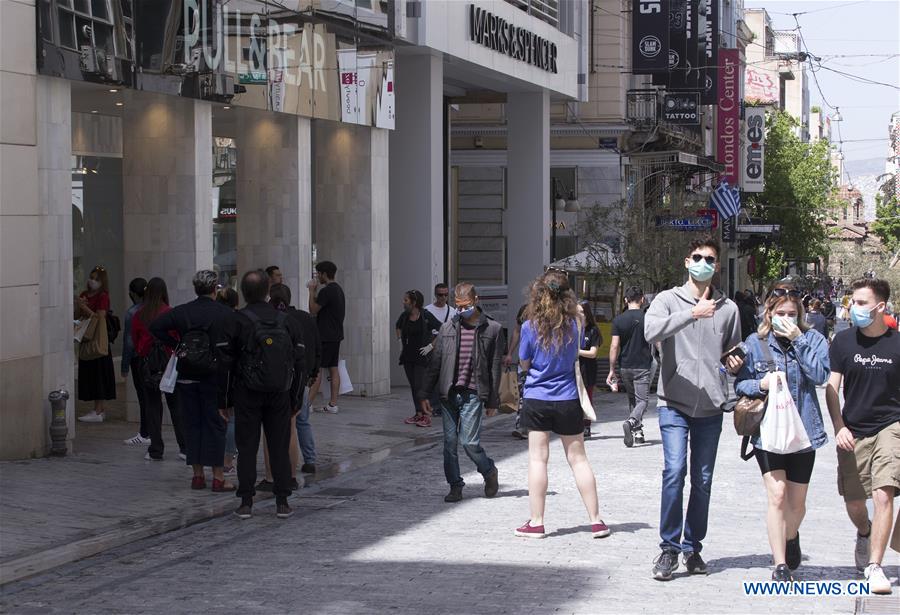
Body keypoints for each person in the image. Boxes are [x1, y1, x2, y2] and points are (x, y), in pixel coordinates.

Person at [644, 236, 743, 581]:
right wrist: (691, 313)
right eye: (698, 257)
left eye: (710, 259)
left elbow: (733, 350)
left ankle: (692, 548)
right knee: (674, 472)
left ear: (717, 266)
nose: (703, 263)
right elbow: (650, 330)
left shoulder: (728, 308)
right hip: (674, 403)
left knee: (702, 480)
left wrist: (734, 362)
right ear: (687, 261)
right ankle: (668, 548)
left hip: (711, 408)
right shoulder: (668, 300)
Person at [735, 285, 830, 582]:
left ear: (800, 315)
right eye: (781, 314)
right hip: (769, 432)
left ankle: (791, 535)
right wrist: (760, 385)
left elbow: (820, 376)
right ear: (769, 313)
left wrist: (798, 340)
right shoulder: (755, 342)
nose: (786, 318)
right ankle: (780, 565)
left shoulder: (813, 339)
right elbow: (740, 385)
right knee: (777, 496)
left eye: (792, 314)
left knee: (797, 503)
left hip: (804, 431)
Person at [514, 271, 610, 539]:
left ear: (538, 293)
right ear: (567, 295)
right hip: (568, 397)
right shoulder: (577, 323)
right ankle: (596, 521)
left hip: (537, 397)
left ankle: (536, 522)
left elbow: (524, 363)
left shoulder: (529, 327)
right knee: (578, 460)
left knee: (537, 459)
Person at [825, 278, 899, 595]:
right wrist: (839, 425)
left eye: (859, 302)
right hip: (853, 430)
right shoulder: (843, 343)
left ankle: (875, 566)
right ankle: (865, 531)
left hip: (891, 426)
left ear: (880, 306)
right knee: (856, 502)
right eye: (852, 301)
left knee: (884, 493)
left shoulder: (898, 344)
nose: (852, 308)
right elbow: (832, 389)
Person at [220, 270, 307, 520]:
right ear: (267, 292)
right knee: (278, 445)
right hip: (279, 393)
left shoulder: (237, 322)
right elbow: (299, 363)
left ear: (244, 293)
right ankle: (282, 501)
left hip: (247, 393)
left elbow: (226, 364)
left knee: (247, 447)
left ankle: (246, 502)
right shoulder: (287, 321)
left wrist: (224, 400)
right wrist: (296, 398)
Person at [150, 270, 235, 491]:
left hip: (186, 375)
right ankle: (218, 477)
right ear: (215, 288)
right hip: (213, 377)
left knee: (192, 424)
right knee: (215, 425)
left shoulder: (182, 312)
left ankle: (197, 476)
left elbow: (155, 326)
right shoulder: (223, 313)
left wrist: (177, 344)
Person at [419, 282, 503, 503]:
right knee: (449, 443)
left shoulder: (493, 329)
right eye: (457, 305)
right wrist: (424, 394)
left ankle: (488, 470)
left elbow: (495, 367)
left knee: (468, 442)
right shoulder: (448, 328)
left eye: (465, 305)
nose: (460, 309)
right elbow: (436, 362)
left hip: (473, 394)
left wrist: (493, 400)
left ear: (475, 301)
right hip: (448, 393)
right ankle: (455, 485)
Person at [256, 283, 320, 490]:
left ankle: (271, 477)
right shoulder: (303, 319)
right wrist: (312, 373)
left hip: (274, 382)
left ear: (269, 300)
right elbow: (315, 347)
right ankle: (292, 475)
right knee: (293, 426)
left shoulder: (268, 321)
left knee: (269, 430)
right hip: (298, 379)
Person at [131, 277, 185, 461]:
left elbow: (135, 341)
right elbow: (178, 337)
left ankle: (156, 449)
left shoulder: (140, 314)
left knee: (152, 407)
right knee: (176, 405)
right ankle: (184, 447)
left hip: (147, 364)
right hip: (168, 363)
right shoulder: (170, 312)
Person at [608, 286, 653, 448]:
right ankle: (631, 422)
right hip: (642, 364)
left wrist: (612, 369)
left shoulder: (618, 320)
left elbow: (614, 346)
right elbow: (656, 340)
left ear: (626, 300)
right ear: (642, 299)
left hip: (625, 365)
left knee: (633, 399)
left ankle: (638, 432)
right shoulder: (648, 318)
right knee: (643, 401)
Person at [76, 266, 116, 422]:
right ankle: (95, 409)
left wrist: (83, 306)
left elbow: (99, 317)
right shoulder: (84, 295)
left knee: (99, 373)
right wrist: (79, 305)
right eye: (91, 277)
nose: (92, 281)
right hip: (86, 337)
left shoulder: (103, 296)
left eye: (96, 279)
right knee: (89, 373)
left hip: (98, 339)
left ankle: (99, 409)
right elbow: (77, 316)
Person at [397, 290, 441, 428]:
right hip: (408, 356)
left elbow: (442, 329)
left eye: (406, 300)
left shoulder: (426, 315)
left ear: (414, 303)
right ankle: (418, 413)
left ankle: (427, 415)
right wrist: (399, 340)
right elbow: (397, 326)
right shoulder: (404, 316)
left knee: (421, 386)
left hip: (422, 357)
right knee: (414, 386)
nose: (403, 303)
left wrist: (431, 345)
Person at [307, 261, 346, 414]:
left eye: (318, 273)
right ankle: (332, 404)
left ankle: (308, 403)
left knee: (318, 370)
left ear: (324, 273)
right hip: (335, 335)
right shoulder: (338, 290)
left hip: (325, 336)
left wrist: (311, 291)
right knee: (333, 368)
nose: (317, 276)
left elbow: (313, 310)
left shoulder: (327, 291)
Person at [122, 277, 150, 445]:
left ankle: (145, 432)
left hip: (139, 358)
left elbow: (129, 342)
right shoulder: (156, 309)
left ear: (133, 293)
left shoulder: (133, 313)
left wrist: (124, 366)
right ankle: (149, 431)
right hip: (154, 357)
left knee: (143, 396)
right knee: (151, 397)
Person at [216, 287, 240, 474]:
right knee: (231, 418)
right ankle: (227, 460)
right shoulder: (239, 320)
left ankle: (218, 458)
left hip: (214, 372)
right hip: (234, 373)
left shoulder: (214, 320)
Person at [425, 283, 453, 417]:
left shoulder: (452, 311)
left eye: (446, 295)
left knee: (445, 376)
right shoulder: (428, 310)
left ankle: (443, 405)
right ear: (435, 295)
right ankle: (434, 405)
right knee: (432, 375)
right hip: (431, 345)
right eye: (440, 295)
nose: (443, 297)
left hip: (447, 345)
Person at [504, 303, 530, 440]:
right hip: (524, 362)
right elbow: (517, 332)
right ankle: (522, 426)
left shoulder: (543, 313)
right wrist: (509, 353)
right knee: (523, 393)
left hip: (539, 363)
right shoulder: (524, 311)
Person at [577, 301, 601, 438]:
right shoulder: (573, 329)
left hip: (588, 369)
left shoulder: (593, 330)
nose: (578, 315)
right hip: (574, 368)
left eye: (580, 312)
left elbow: (593, 353)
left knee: (587, 397)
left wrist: (577, 351)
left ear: (586, 314)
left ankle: (586, 425)